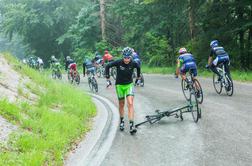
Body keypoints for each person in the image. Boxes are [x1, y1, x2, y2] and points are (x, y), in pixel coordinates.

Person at [105, 47, 141, 135]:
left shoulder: (133, 63)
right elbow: (107, 66)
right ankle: (122, 121)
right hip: (119, 85)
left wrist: (138, 78)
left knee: (130, 103)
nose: (126, 59)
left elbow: (138, 68)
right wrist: (108, 77)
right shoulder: (118, 62)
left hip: (129, 85)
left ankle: (132, 124)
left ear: (130, 57)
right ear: (123, 56)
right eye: (125, 57)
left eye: (128, 57)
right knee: (121, 104)